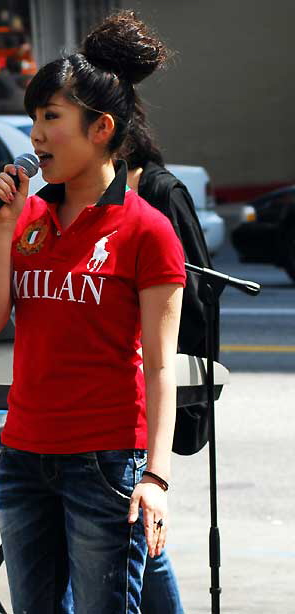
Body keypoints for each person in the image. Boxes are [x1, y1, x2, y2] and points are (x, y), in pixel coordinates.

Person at [0, 11, 186, 614]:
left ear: (101, 128)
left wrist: (156, 477)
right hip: (22, 455)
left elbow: (160, 367)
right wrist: (1, 229)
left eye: (51, 118)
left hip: (105, 460)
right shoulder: (27, 219)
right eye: (33, 118)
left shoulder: (147, 229)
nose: (35, 134)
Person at [119, 100, 215, 614]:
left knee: (136, 531)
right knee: (133, 536)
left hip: (146, 379)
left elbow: (195, 293)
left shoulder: (160, 191)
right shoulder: (70, 199)